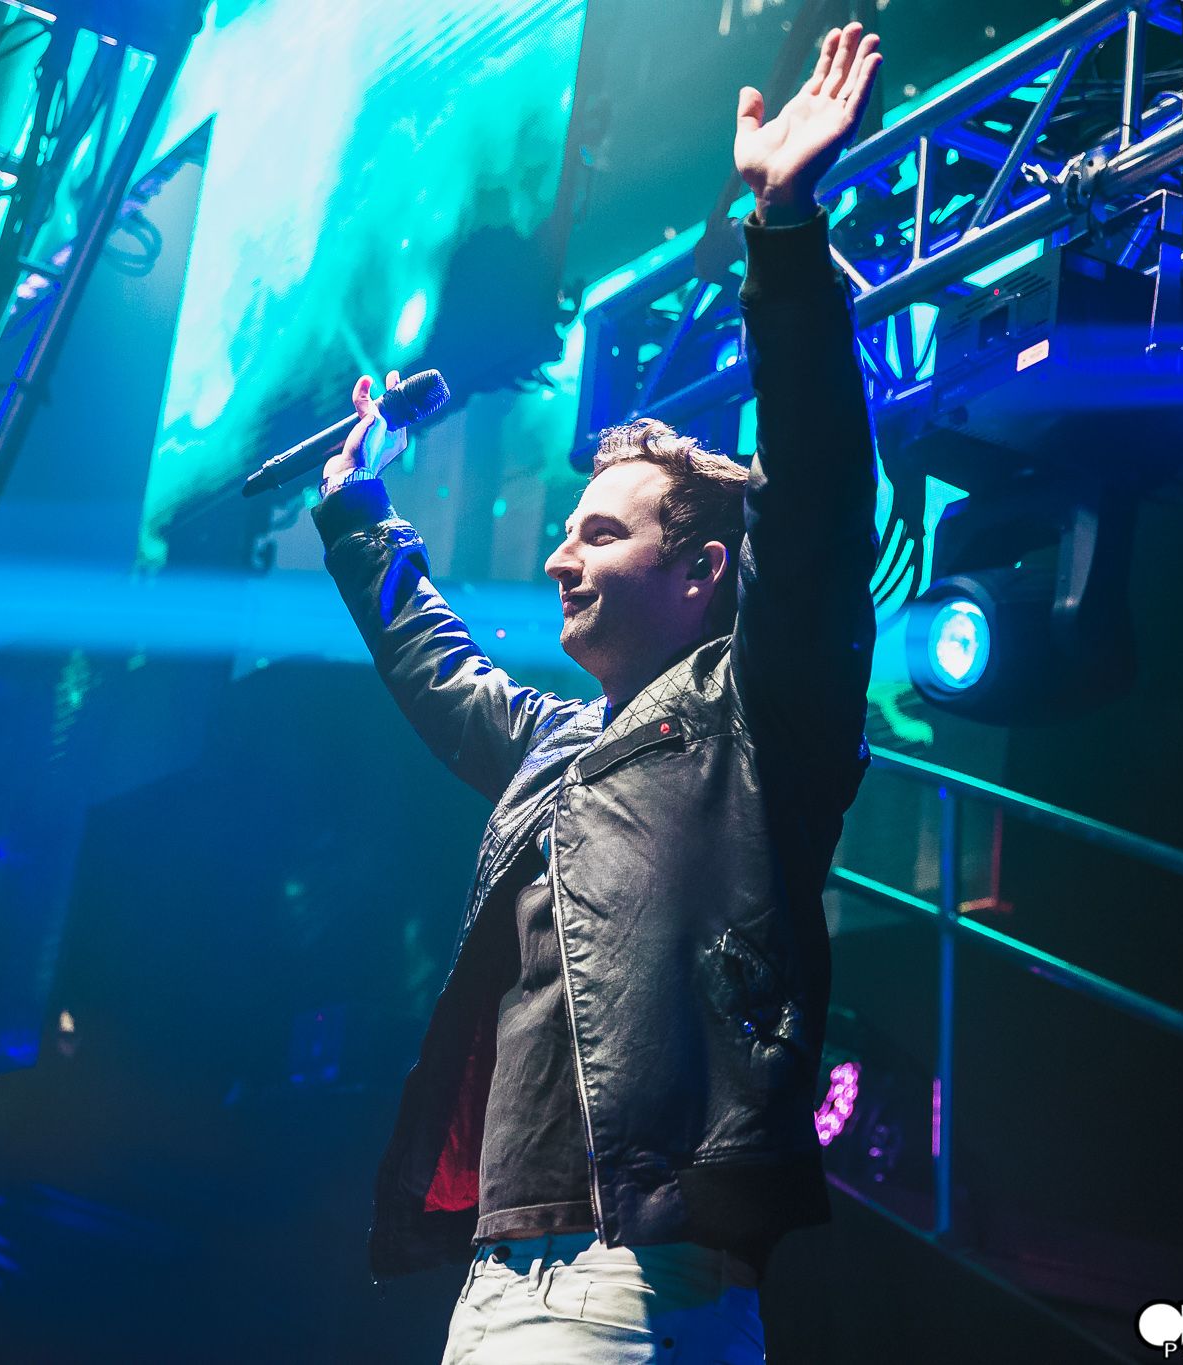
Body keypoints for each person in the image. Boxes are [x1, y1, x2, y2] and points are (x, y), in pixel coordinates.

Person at [311, 25, 884, 1363]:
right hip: (499, 1281)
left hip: (628, 1281)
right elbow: (438, 668)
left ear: (700, 573)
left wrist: (783, 230)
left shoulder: (756, 718)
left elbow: (818, 504)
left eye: (602, 535)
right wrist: (358, 511)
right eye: (568, 533)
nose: (561, 558)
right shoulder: (560, 749)